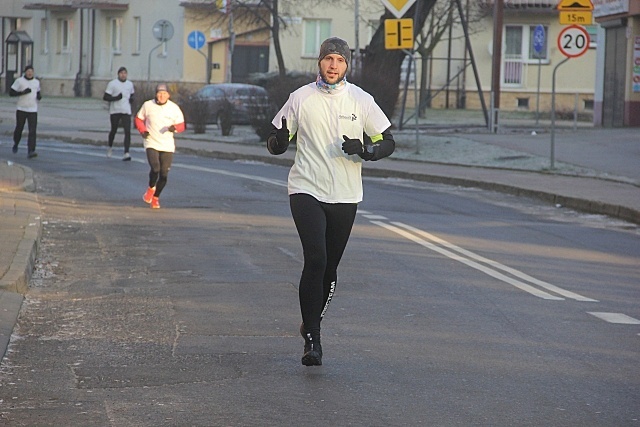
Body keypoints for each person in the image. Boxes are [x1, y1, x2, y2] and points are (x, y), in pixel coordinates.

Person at [267, 37, 395, 366]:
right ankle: (313, 339)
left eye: (340, 59)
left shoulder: (361, 100)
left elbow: (388, 140)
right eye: (328, 59)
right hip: (306, 188)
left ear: (347, 65)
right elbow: (278, 138)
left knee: (330, 267)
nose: (333, 65)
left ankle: (312, 320)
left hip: (345, 194)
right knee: (316, 257)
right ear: (319, 63)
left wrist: (368, 151)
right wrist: (279, 142)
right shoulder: (300, 98)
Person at [135, 83, 185, 209]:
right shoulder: (148, 105)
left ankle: (156, 197)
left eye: (164, 93)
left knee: (164, 174)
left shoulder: (174, 108)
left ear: (168, 95)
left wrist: (175, 128)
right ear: (156, 94)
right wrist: (143, 131)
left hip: (167, 144)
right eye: (159, 93)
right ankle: (151, 188)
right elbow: (138, 119)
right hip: (151, 141)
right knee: (155, 168)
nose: (161, 96)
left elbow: (182, 125)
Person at [103, 66, 135, 160]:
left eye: (125, 73)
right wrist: (116, 98)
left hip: (126, 110)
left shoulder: (130, 84)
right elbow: (106, 97)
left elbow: (132, 95)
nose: (123, 75)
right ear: (118, 74)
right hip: (115, 110)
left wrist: (132, 99)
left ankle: (126, 152)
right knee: (114, 130)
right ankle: (110, 147)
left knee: (127, 131)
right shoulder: (113, 84)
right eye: (121, 73)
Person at [10, 65, 41, 159]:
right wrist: (22, 92)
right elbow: (11, 93)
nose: (30, 73)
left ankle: (31, 150)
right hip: (21, 108)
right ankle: (16, 142)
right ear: (25, 72)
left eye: (31, 71)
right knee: (19, 128)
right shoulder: (20, 81)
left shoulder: (36, 82)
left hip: (33, 109)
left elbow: (38, 92)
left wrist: (39, 97)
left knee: (32, 130)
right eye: (28, 71)